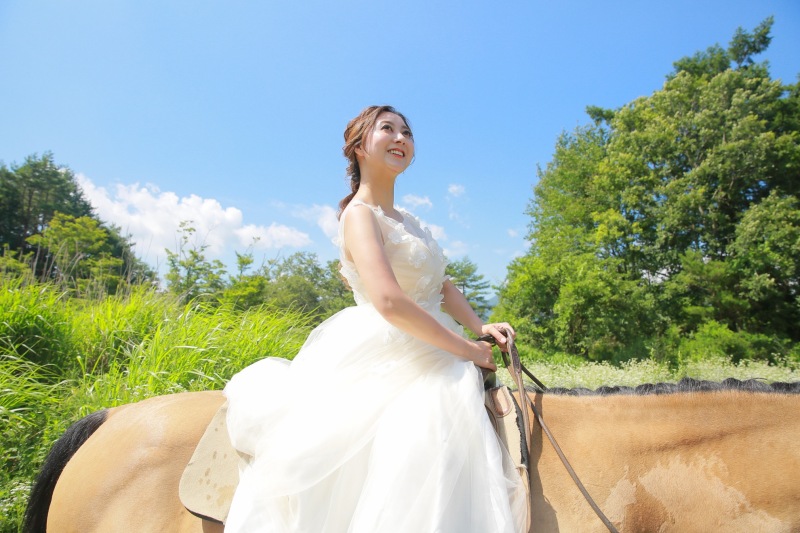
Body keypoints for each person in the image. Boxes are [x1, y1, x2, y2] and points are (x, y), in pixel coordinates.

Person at [223, 105, 528, 532]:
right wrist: (467, 349)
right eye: (388, 129)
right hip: (391, 348)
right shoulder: (359, 215)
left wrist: (480, 327)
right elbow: (388, 301)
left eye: (407, 132)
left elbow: (441, 285)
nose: (401, 138)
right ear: (359, 147)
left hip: (435, 339)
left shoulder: (412, 221)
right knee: (431, 431)